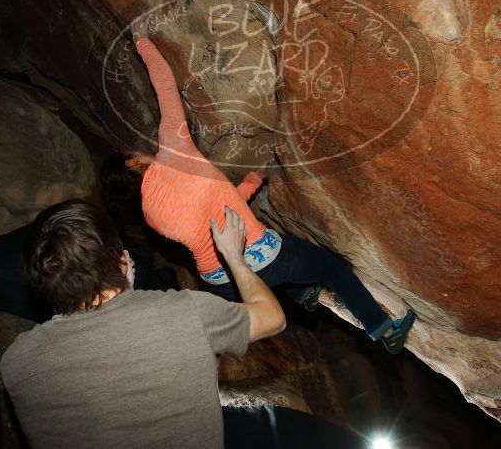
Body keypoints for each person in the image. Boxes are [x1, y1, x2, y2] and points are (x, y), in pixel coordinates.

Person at [100, 19, 415, 354]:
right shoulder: (172, 149)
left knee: (267, 274)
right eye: (133, 153)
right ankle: (383, 330)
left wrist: (252, 181)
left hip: (221, 283)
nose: (140, 150)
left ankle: (301, 292)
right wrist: (141, 40)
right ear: (131, 163)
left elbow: (216, 212)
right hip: (260, 255)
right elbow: (164, 86)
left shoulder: (151, 217)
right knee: (333, 269)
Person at [0, 201, 285, 448]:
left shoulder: (16, 363)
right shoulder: (187, 313)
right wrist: (234, 255)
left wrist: (123, 292)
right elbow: (272, 318)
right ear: (119, 257)